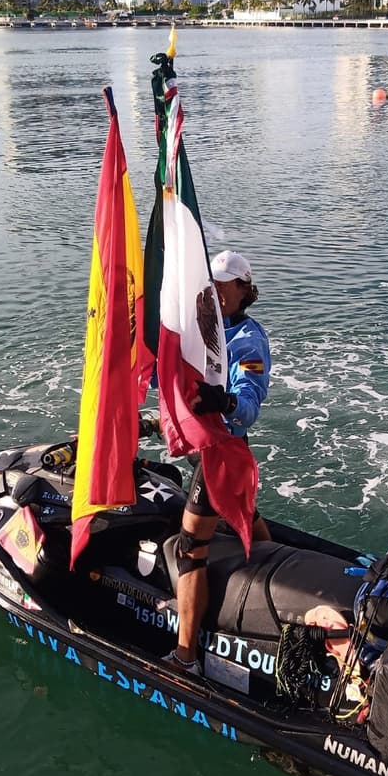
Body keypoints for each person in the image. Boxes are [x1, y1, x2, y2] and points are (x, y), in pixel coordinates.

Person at [165, 250, 271, 675]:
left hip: (222, 454)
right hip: (205, 447)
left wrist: (222, 401)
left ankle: (186, 657)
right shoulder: (199, 329)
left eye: (224, 285)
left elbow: (248, 407)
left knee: (191, 548)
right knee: (241, 511)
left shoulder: (248, 340)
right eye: (212, 283)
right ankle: (272, 567)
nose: (216, 291)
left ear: (244, 290)